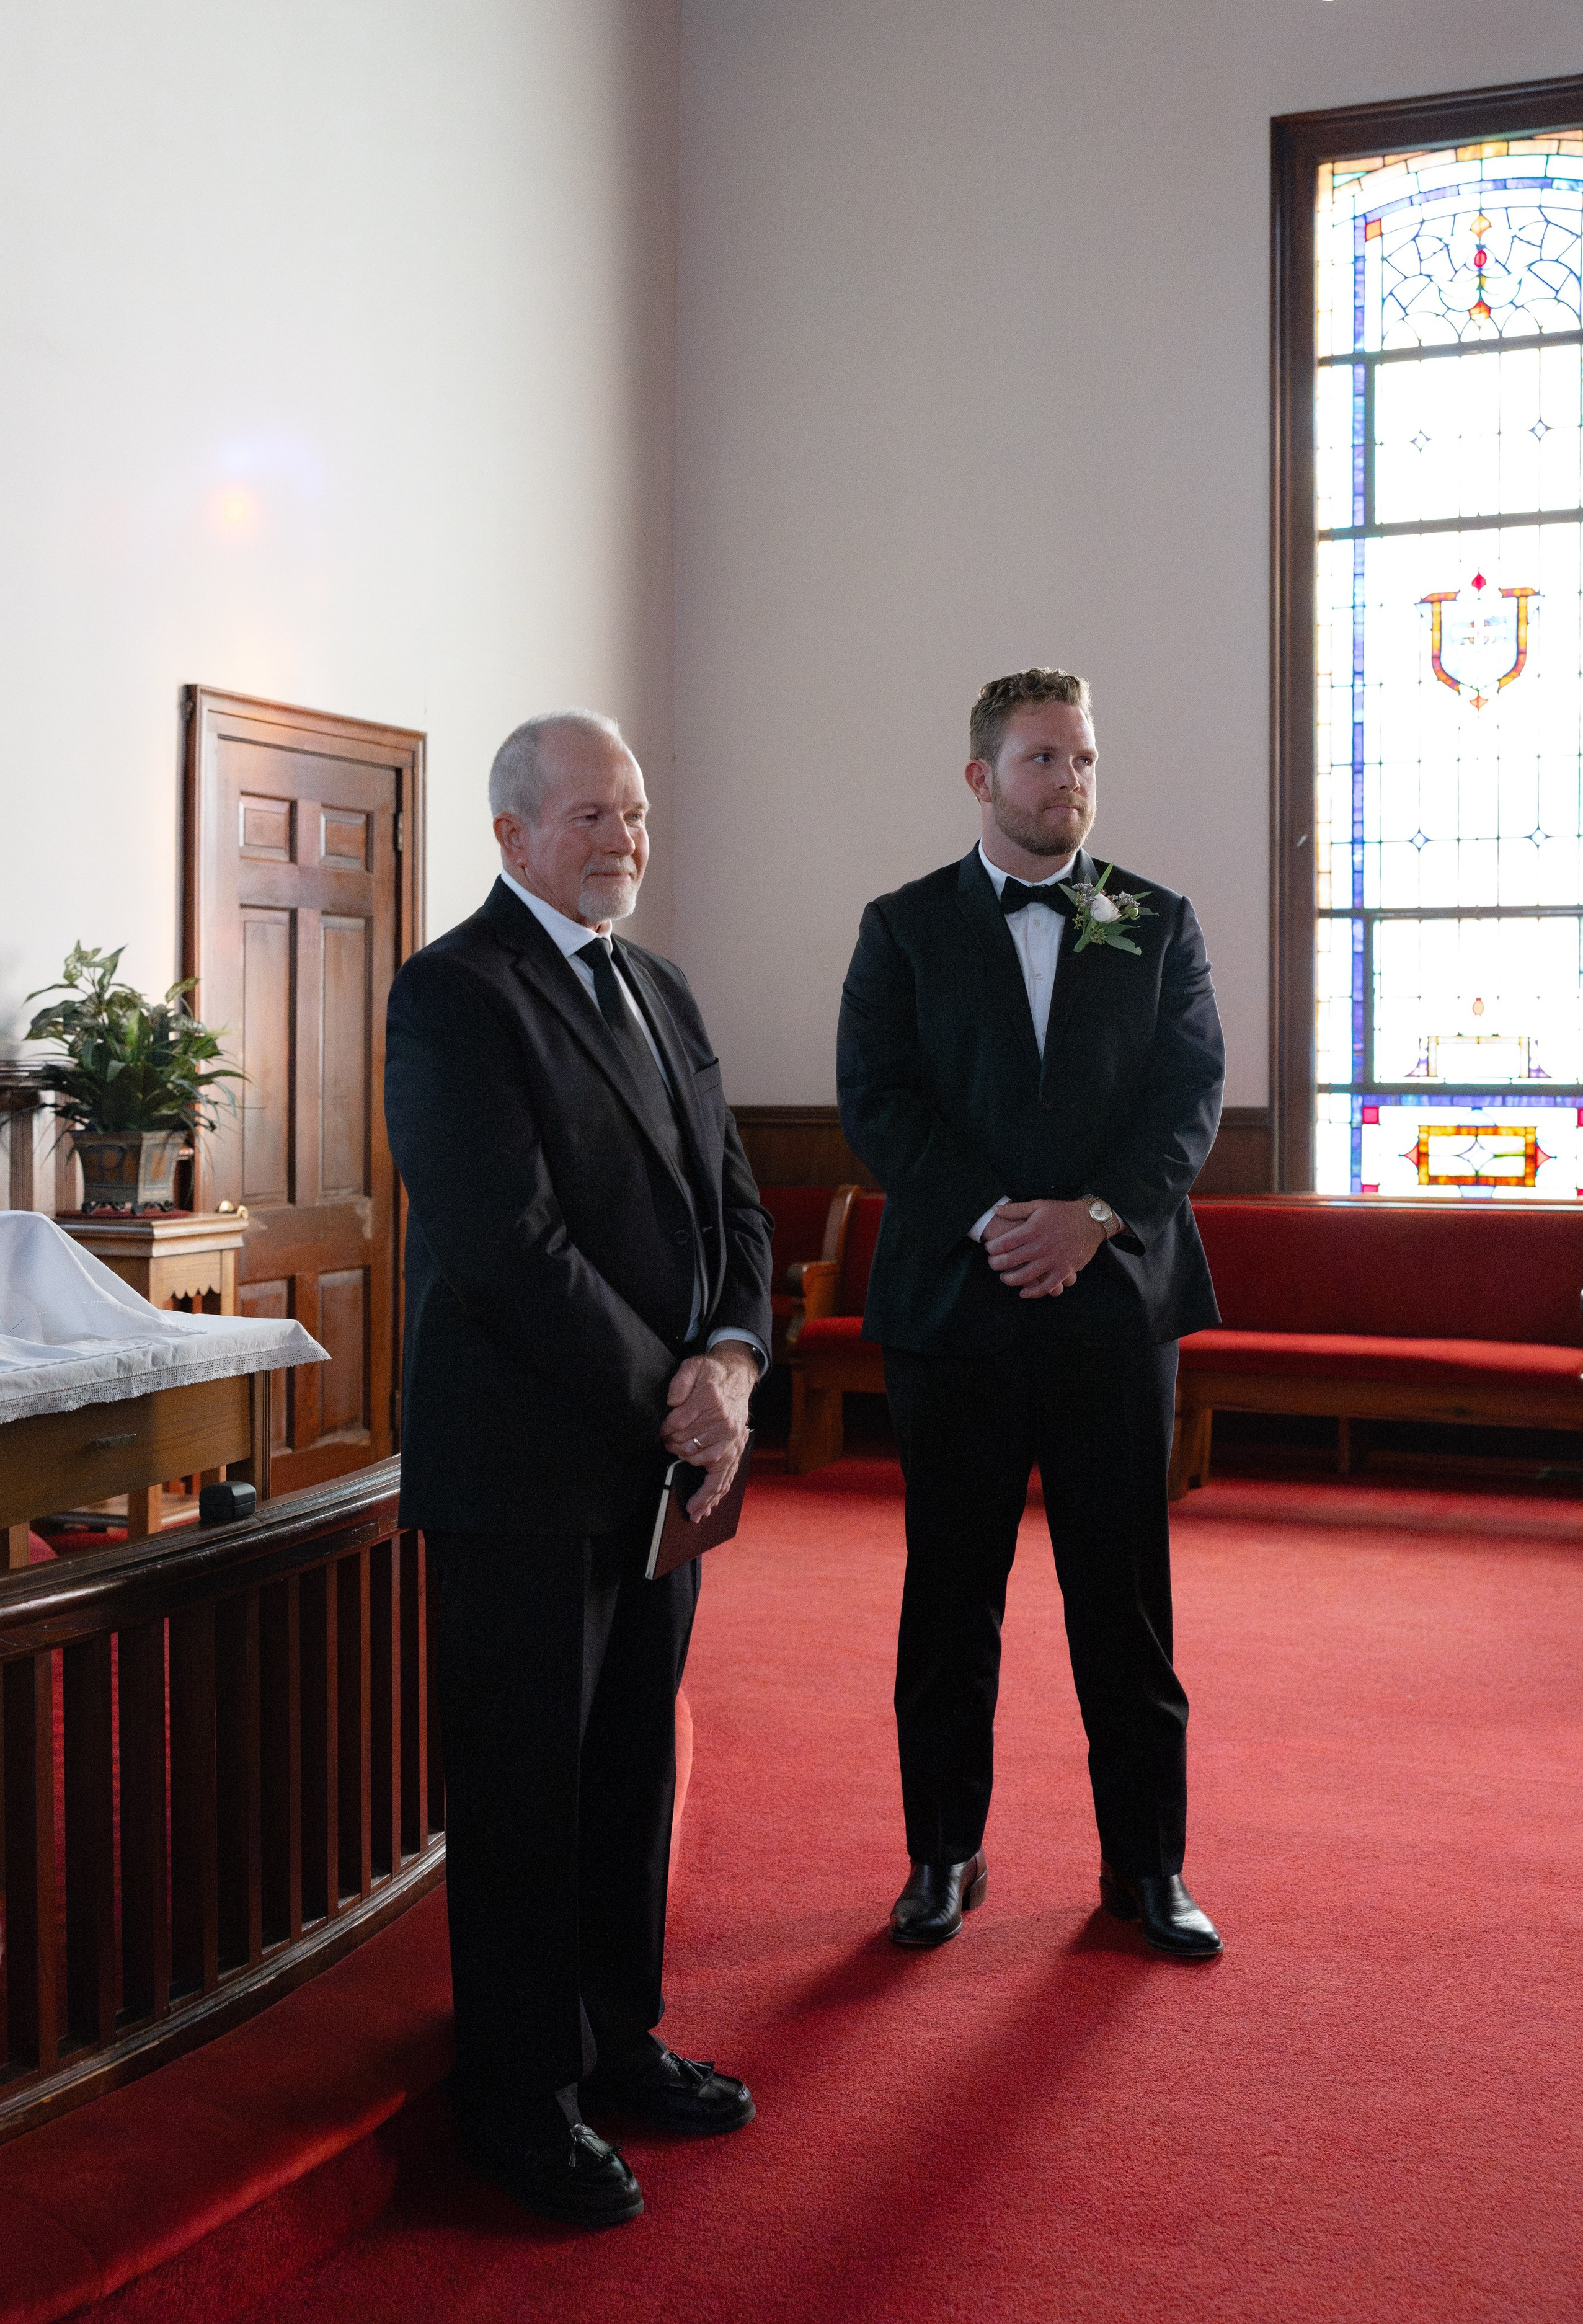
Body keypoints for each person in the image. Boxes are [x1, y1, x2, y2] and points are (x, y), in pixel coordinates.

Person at [384, 710, 773, 2227]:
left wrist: (730, 1361)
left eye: (635, 811)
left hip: (665, 1466)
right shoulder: (454, 992)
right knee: (526, 1790)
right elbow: (507, 1246)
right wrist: (671, 1400)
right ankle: (517, 2095)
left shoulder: (656, 984)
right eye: (589, 815)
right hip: (525, 1471)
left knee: (628, 1770)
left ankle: (615, 2037)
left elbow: (733, 1199)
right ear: (511, 835)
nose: (623, 838)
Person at [836, 667, 1226, 1959]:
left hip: (1113, 1307)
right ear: (981, 776)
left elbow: (1187, 1098)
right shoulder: (902, 927)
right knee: (952, 1594)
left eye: (1084, 757)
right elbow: (878, 1099)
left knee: (1124, 1599)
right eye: (1043, 757)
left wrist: (1091, 1219)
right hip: (958, 1306)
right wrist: (999, 1219)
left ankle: (1147, 1864)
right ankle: (942, 1852)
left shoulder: (1154, 919)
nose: (1070, 779)